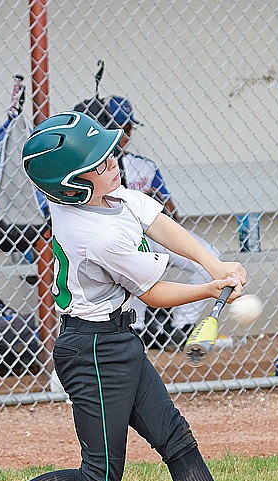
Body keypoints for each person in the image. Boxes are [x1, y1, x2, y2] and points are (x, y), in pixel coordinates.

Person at [0, 111, 278, 481]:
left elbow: (160, 224)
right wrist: (210, 289)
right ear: (72, 185)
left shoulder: (112, 196)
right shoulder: (95, 234)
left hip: (119, 340)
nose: (113, 163)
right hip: (92, 349)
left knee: (176, 439)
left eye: (109, 155)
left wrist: (215, 261)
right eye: (99, 162)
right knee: (100, 479)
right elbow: (155, 294)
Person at [104, 95, 224, 348]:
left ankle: (180, 326)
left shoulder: (143, 166)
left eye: (126, 129)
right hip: (113, 239)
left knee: (210, 257)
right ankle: (134, 330)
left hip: (151, 233)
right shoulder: (92, 169)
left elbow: (171, 213)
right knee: (130, 268)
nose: (124, 135)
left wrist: (151, 207)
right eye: (118, 128)